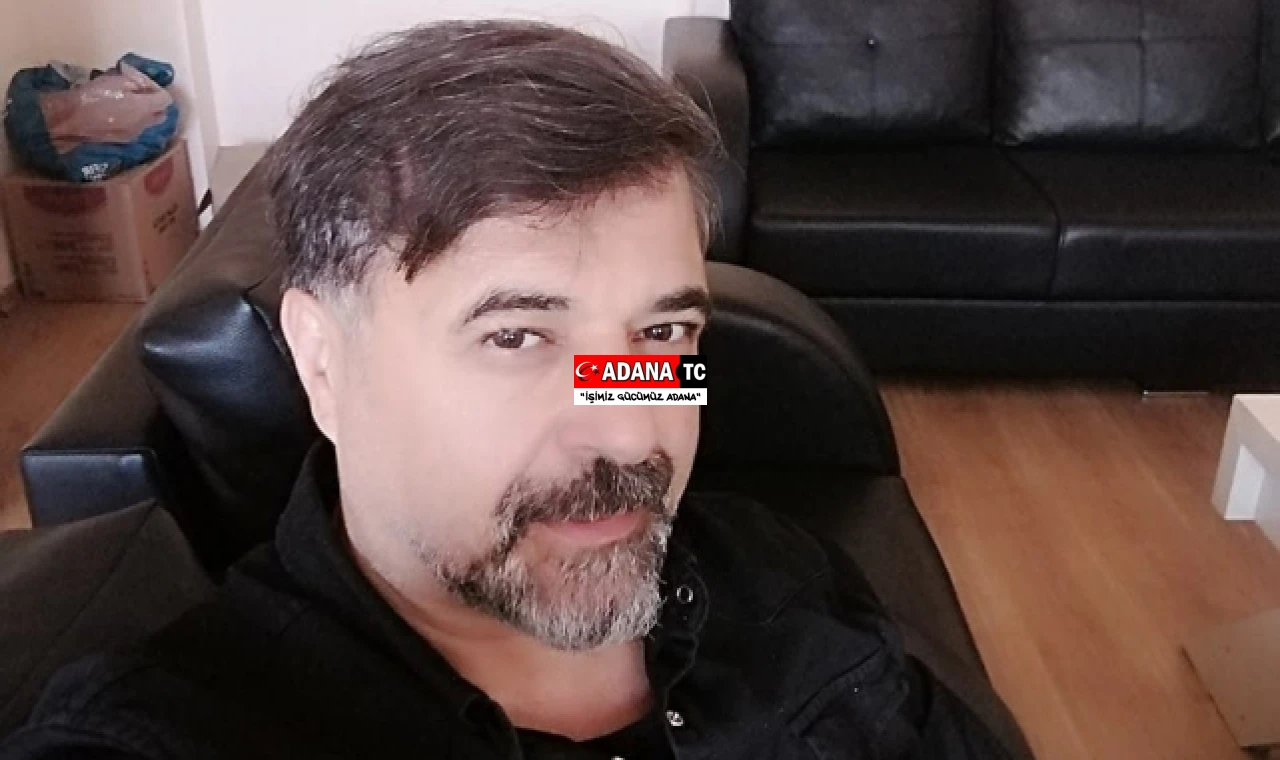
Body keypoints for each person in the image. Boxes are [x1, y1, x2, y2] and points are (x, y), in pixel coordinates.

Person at [1, 20, 1017, 760]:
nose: (629, 434)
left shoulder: (773, 571)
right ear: (322, 362)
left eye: (661, 332)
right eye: (517, 336)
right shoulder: (177, 729)